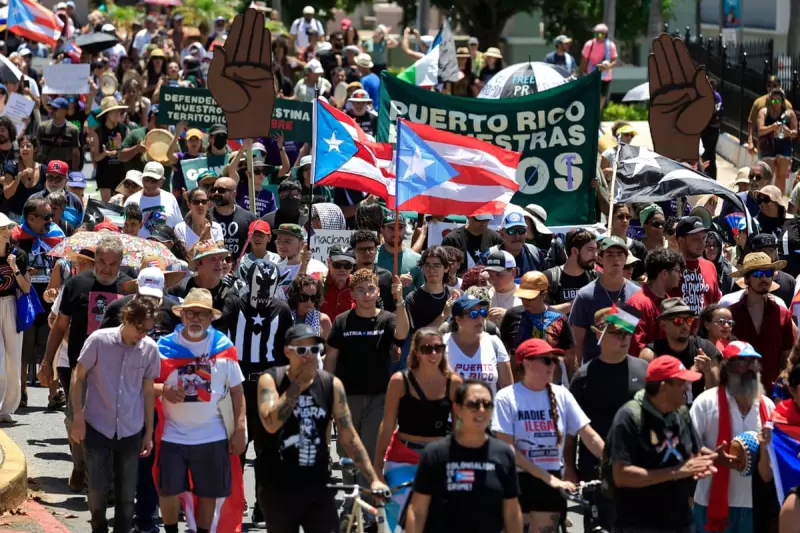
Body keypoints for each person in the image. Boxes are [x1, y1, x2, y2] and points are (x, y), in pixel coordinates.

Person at [257, 323, 390, 532]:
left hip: (318, 485)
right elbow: (271, 423)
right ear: (287, 352)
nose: (308, 356)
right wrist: (298, 385)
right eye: (301, 350)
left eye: (314, 349)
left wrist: (373, 479)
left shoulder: (331, 385)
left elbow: (349, 437)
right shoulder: (271, 379)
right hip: (279, 486)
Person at [154, 288, 246, 533]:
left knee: (209, 492)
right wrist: (163, 389)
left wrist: (239, 429)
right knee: (168, 489)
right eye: (191, 313)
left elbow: (237, 391)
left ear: (210, 319)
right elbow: (142, 385)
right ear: (182, 315)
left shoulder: (224, 348)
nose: (196, 318)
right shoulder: (162, 348)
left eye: (202, 314)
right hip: (172, 434)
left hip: (212, 435)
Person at [492, 338, 605, 533]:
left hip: (551, 477)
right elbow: (507, 449)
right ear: (526, 363)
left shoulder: (562, 395)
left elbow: (590, 436)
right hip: (518, 478)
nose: (553, 364)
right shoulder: (506, 397)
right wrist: (546, 478)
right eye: (546, 360)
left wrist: (616, 462)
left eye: (555, 359)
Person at [70, 296, 159, 533]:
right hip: (97, 425)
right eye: (140, 328)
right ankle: (98, 527)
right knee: (97, 492)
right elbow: (78, 376)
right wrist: (77, 416)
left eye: (148, 330)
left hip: (130, 428)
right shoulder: (99, 341)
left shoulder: (150, 349)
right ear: (127, 318)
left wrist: (149, 432)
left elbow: (148, 390)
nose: (143, 334)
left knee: (127, 497)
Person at [606, 355, 714, 533]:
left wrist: (715, 458)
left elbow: (694, 452)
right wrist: (676, 472)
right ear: (664, 387)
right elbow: (621, 475)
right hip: (639, 525)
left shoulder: (682, 414)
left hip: (681, 522)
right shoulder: (628, 417)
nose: (687, 389)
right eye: (681, 383)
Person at [566, 306, 648, 530]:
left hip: (639, 466)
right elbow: (571, 429)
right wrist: (569, 467)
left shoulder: (644, 370)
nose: (624, 338)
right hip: (597, 469)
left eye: (627, 332)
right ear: (598, 334)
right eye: (617, 332)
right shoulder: (583, 377)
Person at [405, 379, 522, 533]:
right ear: (458, 409)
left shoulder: (504, 454)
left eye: (487, 405)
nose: (481, 410)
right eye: (474, 404)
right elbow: (417, 511)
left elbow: (512, 512)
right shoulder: (435, 454)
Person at [373, 328, 462, 530]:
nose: (433, 354)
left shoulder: (454, 383)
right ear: (416, 352)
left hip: (439, 458)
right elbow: (387, 425)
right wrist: (377, 469)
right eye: (427, 349)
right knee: (400, 522)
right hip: (403, 456)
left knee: (440, 520)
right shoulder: (399, 381)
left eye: (438, 348)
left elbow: (459, 429)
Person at [324, 269, 407, 485]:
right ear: (352, 294)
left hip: (378, 397)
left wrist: (400, 301)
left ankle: (369, 502)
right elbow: (331, 358)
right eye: (360, 290)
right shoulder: (342, 321)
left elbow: (401, 334)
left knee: (371, 448)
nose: (367, 294)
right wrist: (327, 393)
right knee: (347, 448)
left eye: (371, 289)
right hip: (347, 398)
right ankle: (353, 501)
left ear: (378, 291)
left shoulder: (387, 318)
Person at [690, 341, 775, 533]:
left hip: (755, 505)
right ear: (727, 369)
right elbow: (688, 450)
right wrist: (713, 458)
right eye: (742, 363)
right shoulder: (705, 403)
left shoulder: (768, 407)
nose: (750, 368)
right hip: (711, 503)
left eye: (754, 362)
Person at [15, 197, 66, 407]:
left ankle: (54, 394)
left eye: (51, 215)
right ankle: (21, 394)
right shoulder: (15, 237)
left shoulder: (57, 234)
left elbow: (64, 265)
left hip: (50, 302)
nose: (50, 220)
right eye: (46, 216)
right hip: (24, 298)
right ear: (31, 218)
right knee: (24, 349)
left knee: (50, 346)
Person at [729, 252, 797, 392]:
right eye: (758, 274)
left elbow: (787, 357)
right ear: (747, 279)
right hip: (739, 393)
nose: (764, 278)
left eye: (768, 273)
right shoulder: (732, 314)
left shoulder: (782, 314)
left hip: (773, 392)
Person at [569, 236, 641, 365]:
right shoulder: (585, 296)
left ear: (626, 259)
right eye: (610, 254)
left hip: (629, 372)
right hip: (594, 372)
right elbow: (577, 343)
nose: (616, 259)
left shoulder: (637, 294)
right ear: (600, 259)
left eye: (620, 254)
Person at [499, 271, 576, 383]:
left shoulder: (559, 319)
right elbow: (504, 353)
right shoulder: (512, 316)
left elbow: (570, 355)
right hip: (518, 387)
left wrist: (574, 385)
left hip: (550, 387)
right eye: (523, 297)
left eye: (531, 298)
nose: (526, 302)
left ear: (544, 294)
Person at [640, 297, 721, 401]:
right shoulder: (651, 354)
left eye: (688, 320)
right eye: (678, 321)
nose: (685, 326)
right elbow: (647, 395)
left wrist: (707, 372)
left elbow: (716, 393)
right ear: (663, 325)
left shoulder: (705, 348)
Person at [444, 294, 512, 394]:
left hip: (489, 409)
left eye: (482, 312)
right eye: (473, 314)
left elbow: (507, 387)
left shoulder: (494, 342)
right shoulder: (443, 343)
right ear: (458, 319)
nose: (480, 318)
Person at [627, 248, 685, 356]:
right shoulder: (636, 303)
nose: (680, 276)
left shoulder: (670, 302)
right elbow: (635, 347)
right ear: (664, 273)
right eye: (677, 271)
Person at [0, 213, 30, 422]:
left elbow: (26, 287)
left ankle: (7, 408)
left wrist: (15, 269)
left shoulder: (18, 255)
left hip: (11, 304)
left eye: (6, 229)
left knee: (12, 356)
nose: (5, 234)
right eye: (1, 230)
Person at [671, 216, 722, 315]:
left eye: (703, 238)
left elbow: (716, 304)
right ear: (681, 240)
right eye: (695, 239)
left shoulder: (710, 267)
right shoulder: (669, 269)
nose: (701, 243)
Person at [404, 246, 460, 334]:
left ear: (446, 268)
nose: (431, 270)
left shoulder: (456, 295)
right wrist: (443, 316)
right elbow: (417, 336)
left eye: (436, 265)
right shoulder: (413, 299)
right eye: (427, 265)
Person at [544, 229, 598, 315]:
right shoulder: (549, 277)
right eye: (590, 250)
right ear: (575, 251)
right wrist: (576, 303)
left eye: (596, 250)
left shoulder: (596, 277)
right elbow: (541, 311)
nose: (595, 255)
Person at [124, 162, 182, 239]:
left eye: (153, 180)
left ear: (162, 181)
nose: (148, 184)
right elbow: (124, 227)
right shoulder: (131, 201)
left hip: (166, 248)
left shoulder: (170, 198)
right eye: (146, 179)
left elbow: (178, 226)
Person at [757, 88, 797, 191]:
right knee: (767, 176)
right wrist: (772, 127)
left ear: (782, 101)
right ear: (770, 100)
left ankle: (778, 202)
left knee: (781, 176)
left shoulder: (789, 114)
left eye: (778, 100)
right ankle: (764, 199)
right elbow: (760, 131)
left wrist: (789, 132)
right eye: (773, 100)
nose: (776, 103)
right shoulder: (764, 112)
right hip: (768, 145)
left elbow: (795, 132)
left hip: (784, 146)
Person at [92, 97, 130, 202]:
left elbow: (128, 154)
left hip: (120, 173)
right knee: (107, 207)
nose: (118, 113)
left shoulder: (124, 129)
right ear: (107, 114)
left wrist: (119, 148)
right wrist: (105, 154)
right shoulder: (98, 132)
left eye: (118, 111)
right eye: (114, 111)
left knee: (121, 206)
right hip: (104, 174)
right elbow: (96, 158)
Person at [486, 212, 546, 277]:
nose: (517, 237)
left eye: (521, 231)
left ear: (526, 233)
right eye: (511, 231)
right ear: (502, 234)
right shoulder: (488, 256)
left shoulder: (535, 254)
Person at [377, 213, 423, 298]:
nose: (396, 232)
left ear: (405, 230)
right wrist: (394, 284)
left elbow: (422, 294)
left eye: (400, 228)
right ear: (382, 230)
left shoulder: (417, 259)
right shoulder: (372, 257)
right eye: (391, 228)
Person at [211, 176, 258, 257]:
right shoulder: (204, 217)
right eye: (214, 190)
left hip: (241, 267)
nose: (216, 193)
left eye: (221, 190)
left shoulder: (249, 218)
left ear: (234, 194)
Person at [350, 229, 394, 312]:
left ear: (376, 250)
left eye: (370, 248)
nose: (367, 253)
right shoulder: (348, 274)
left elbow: (390, 307)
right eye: (362, 249)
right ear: (354, 251)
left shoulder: (386, 276)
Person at [749, 233, 795, 307]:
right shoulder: (744, 282)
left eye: (770, 250)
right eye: (762, 251)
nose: (766, 254)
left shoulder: (789, 281)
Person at [174, 187, 224, 252]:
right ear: (189, 205)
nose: (200, 205)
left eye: (204, 201)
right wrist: (202, 238)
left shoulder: (216, 227)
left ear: (208, 204)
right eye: (196, 202)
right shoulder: (180, 228)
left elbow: (219, 253)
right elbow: (186, 257)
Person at [580, 23, 617, 108]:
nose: (597, 36)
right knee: (592, 95)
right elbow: (584, 60)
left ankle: (597, 115)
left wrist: (608, 66)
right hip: (593, 74)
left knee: (602, 97)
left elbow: (614, 60)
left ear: (605, 34)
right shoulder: (589, 44)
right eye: (595, 33)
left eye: (600, 33)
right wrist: (581, 73)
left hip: (606, 76)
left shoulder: (611, 45)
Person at [37, 97, 81, 170]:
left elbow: (75, 152)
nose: (52, 111)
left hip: (65, 170)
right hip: (46, 168)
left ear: (65, 111)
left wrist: (74, 171)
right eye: (51, 108)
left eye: (55, 109)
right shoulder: (43, 127)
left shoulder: (73, 129)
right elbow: (37, 149)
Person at [286, 273, 331, 340]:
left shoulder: (323, 320)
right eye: (304, 297)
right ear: (295, 297)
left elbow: (329, 348)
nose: (309, 302)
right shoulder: (285, 317)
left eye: (313, 297)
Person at [485, 250, 521, 321]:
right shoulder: (484, 295)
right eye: (491, 275)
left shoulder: (527, 295)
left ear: (513, 272)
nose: (493, 280)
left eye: (499, 275)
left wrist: (508, 315)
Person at [704, 231, 737, 296]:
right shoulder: (698, 269)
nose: (711, 248)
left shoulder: (731, 272)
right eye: (708, 244)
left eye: (715, 245)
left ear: (719, 247)